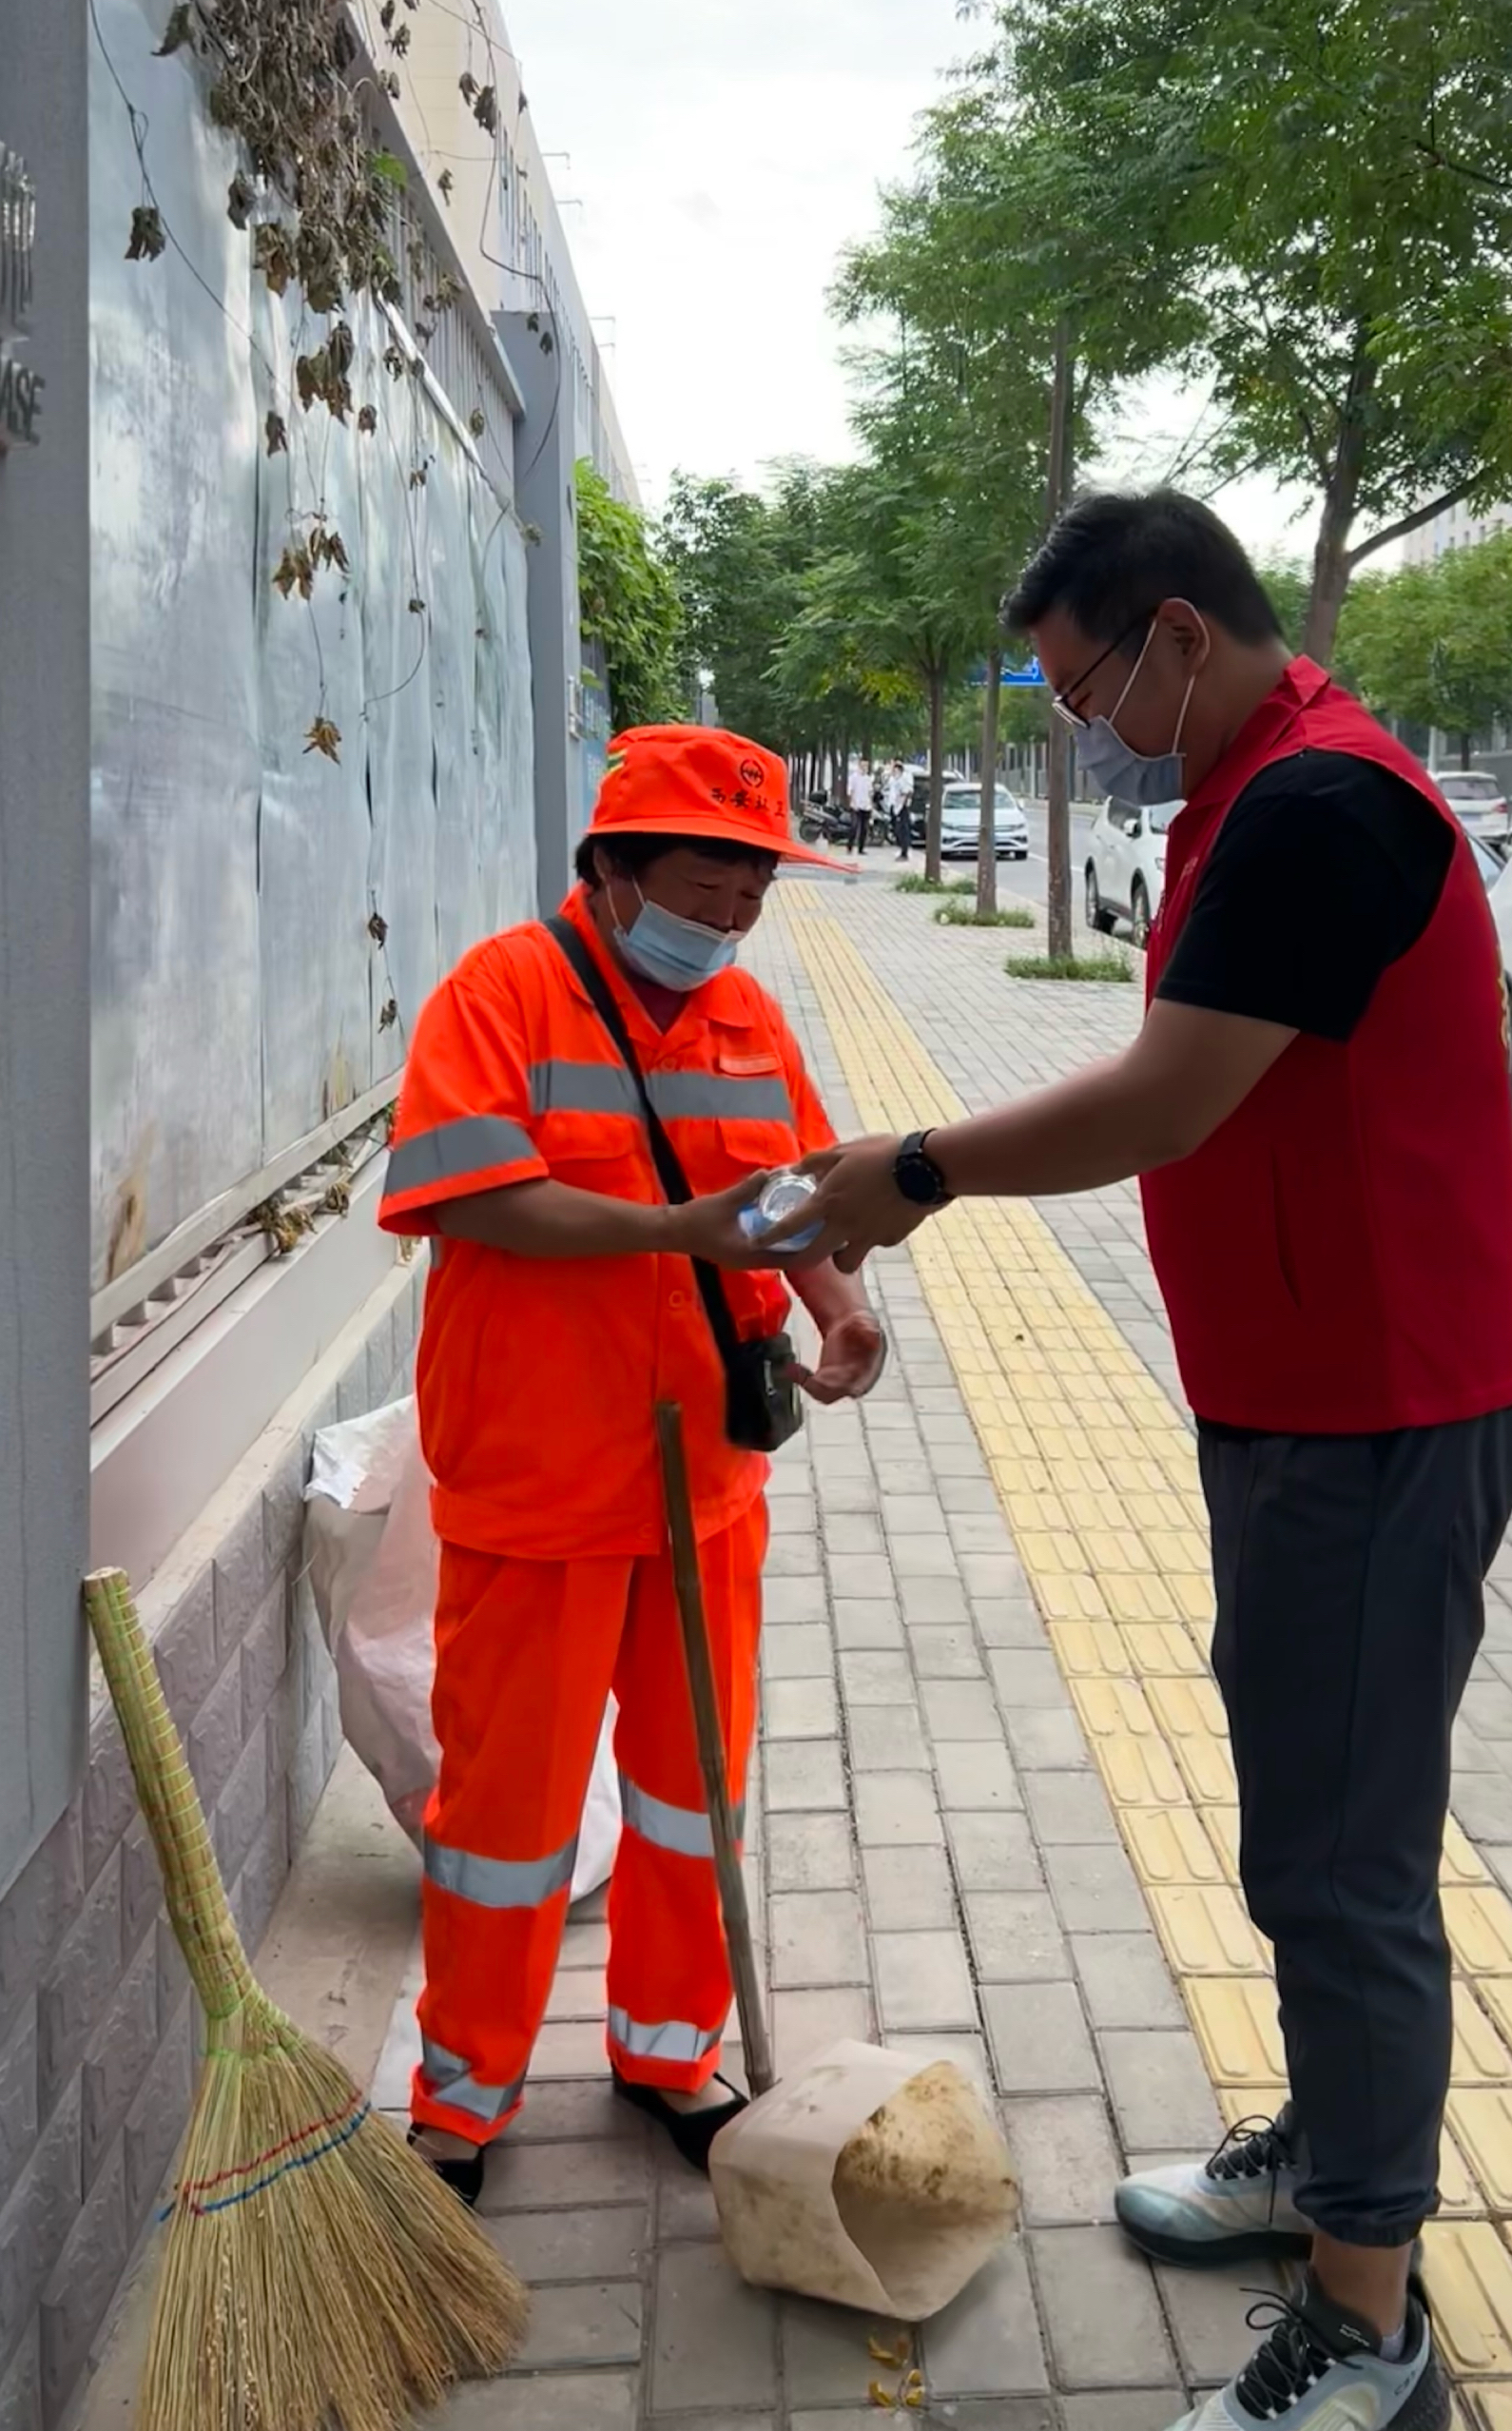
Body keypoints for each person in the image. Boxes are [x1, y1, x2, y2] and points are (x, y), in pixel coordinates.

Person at [793, 487, 1512, 2431]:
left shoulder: (1317, 807)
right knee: (1307, 1813)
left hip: (1380, 1410)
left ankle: (1370, 2322)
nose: (1080, 725)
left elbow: (1168, 1097)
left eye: (1083, 685)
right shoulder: (1249, 791)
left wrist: (913, 1171)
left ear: (1180, 636)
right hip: (1304, 1395)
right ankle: (1325, 2157)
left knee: (1341, 1854)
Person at [374, 726, 888, 2206]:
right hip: (537, 1489)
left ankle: (669, 2053)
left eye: (753, 886)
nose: (729, 912)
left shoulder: (749, 1022)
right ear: (609, 868)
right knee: (507, 1823)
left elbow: (799, 1206)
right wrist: (679, 1232)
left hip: (706, 1487)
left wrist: (845, 1311)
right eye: (706, 877)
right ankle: (461, 2099)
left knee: (690, 1795)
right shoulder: (503, 994)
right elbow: (474, 1201)